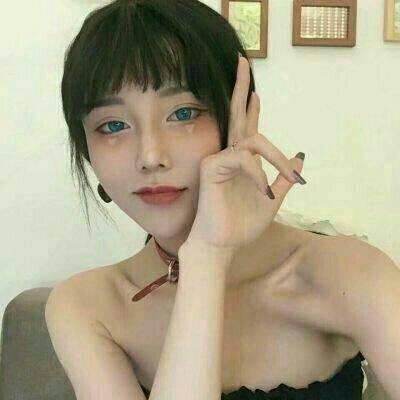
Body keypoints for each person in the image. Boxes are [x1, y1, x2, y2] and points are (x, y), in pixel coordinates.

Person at [45, 0, 400, 399]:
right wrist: (206, 258)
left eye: (183, 114)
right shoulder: (86, 307)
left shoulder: (351, 274)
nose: (150, 156)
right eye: (113, 125)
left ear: (240, 117)